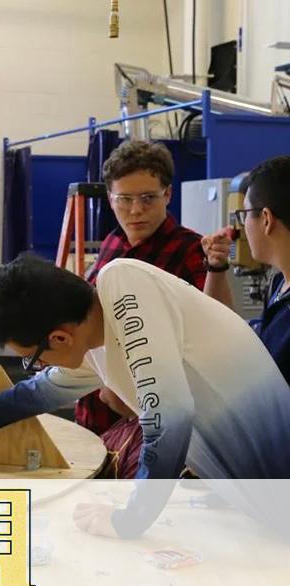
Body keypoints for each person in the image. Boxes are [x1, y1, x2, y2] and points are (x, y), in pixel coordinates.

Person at [0, 254, 290, 537]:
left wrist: (129, 520)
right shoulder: (95, 340)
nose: (38, 366)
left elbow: (169, 416)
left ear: (60, 337)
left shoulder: (122, 284)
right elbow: (39, 393)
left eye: (32, 358)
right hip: (256, 491)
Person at [77, 140, 206, 478]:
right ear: (110, 199)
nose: (136, 211)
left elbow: (201, 347)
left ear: (168, 195)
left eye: (148, 198)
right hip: (97, 410)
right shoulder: (111, 244)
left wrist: (128, 397)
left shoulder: (190, 251)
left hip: (149, 420)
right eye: (125, 200)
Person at [202, 156, 290, 385]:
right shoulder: (279, 283)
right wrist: (216, 266)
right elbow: (229, 333)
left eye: (244, 215)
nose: (239, 227)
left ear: (266, 219)